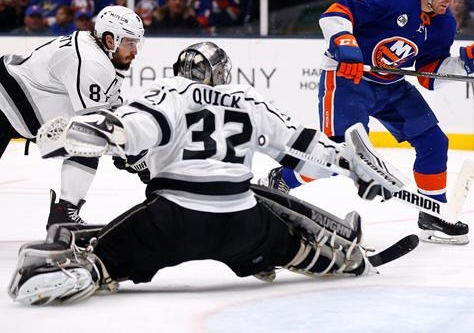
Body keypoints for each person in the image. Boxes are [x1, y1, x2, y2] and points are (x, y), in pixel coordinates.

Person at [8, 42, 405, 306]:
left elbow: (128, 132)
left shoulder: (169, 92)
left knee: (102, 257)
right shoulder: (247, 99)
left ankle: (84, 271)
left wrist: (86, 129)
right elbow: (302, 151)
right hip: (243, 222)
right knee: (289, 244)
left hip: (173, 220)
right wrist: (355, 170)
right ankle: (342, 260)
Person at [265, 0, 474, 244]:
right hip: (349, 78)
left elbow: (429, 76)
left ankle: (433, 214)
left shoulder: (444, 24)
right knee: (340, 154)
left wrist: (469, 62)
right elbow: (335, 14)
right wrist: (345, 43)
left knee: (434, 141)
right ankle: (280, 180)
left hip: (391, 86)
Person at [0, 5, 145, 228]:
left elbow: (113, 111)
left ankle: (64, 212)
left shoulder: (105, 57)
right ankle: (63, 213)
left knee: (87, 142)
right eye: (130, 43)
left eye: (137, 43)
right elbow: (99, 124)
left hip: (20, 108)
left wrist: (135, 152)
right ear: (110, 40)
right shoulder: (91, 62)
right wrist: (135, 157)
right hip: (6, 102)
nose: (135, 51)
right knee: (90, 138)